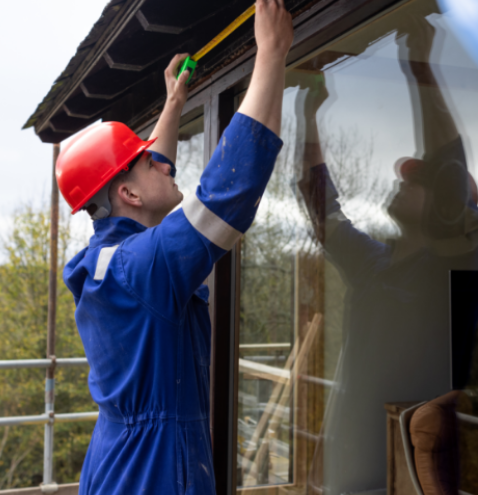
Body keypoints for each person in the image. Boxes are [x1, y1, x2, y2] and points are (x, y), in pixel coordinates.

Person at [57, 1, 293, 493]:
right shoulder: (140, 267)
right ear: (129, 194)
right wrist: (271, 53)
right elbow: (225, 197)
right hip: (152, 473)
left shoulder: (110, 257)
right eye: (148, 163)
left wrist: (174, 101)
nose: (166, 163)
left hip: (119, 463)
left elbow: (145, 179)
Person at [295, 15, 478, 495]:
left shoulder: (450, 269)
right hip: (351, 466)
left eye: (417, 180)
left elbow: (448, 172)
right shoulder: (372, 264)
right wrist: (308, 112)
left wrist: (422, 73)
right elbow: (321, 207)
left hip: (409, 474)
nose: (403, 176)